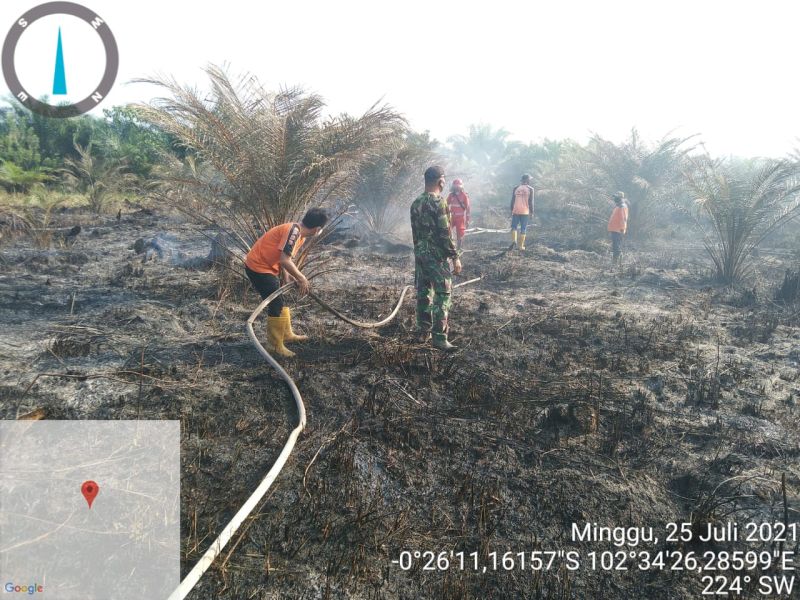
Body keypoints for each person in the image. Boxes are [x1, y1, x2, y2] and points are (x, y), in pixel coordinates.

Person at [244, 208, 328, 357]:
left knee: (282, 298)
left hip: (268, 267)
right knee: (276, 304)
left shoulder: (298, 234)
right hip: (258, 267)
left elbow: (283, 258)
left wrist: (288, 278)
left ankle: (287, 334)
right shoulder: (294, 232)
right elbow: (284, 260)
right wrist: (301, 278)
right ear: (317, 229)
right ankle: (274, 345)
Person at [410, 165, 462, 351]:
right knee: (443, 293)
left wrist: (419, 254)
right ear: (440, 181)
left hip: (420, 254)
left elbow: (415, 234)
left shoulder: (415, 203)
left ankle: (422, 332)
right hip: (436, 256)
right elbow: (445, 234)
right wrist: (455, 256)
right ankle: (439, 337)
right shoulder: (439, 203)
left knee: (423, 292)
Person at [510, 174, 534, 250]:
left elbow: (512, 200)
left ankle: (514, 241)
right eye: (529, 179)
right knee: (523, 228)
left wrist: (511, 210)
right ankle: (521, 246)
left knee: (514, 227)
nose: (530, 181)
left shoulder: (516, 188)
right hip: (525, 211)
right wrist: (532, 212)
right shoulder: (530, 189)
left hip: (516, 210)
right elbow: (530, 202)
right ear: (527, 180)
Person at [446, 178, 471, 250]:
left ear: (461, 187)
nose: (457, 188)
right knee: (447, 230)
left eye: (458, 187)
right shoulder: (451, 195)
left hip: (460, 218)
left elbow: (468, 209)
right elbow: (446, 204)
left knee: (460, 234)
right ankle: (450, 247)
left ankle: (458, 249)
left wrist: (467, 220)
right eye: (455, 187)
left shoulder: (464, 196)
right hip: (452, 217)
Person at [607, 191, 628, 268]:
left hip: (618, 230)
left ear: (620, 198)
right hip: (615, 229)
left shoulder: (622, 207)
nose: (614, 198)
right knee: (615, 246)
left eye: (616, 197)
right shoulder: (618, 206)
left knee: (616, 246)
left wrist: (622, 229)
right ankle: (617, 263)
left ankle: (616, 263)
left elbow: (623, 219)